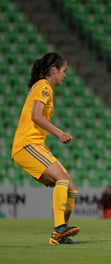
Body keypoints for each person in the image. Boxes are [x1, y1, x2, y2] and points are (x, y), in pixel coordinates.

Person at [11, 52, 80, 245]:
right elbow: (36, 116)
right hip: (27, 145)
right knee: (62, 180)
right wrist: (59, 133)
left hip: (36, 146)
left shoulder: (44, 88)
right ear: (53, 70)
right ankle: (59, 228)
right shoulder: (44, 87)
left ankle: (60, 236)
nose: (65, 75)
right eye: (64, 71)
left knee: (71, 187)